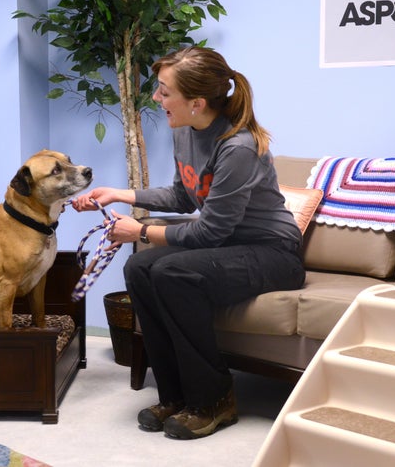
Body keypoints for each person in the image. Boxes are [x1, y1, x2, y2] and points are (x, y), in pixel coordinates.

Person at [72, 46, 305, 439]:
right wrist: (121, 194)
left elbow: (209, 232)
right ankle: (175, 396)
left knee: (172, 270)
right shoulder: (185, 132)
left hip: (273, 253)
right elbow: (184, 197)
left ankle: (214, 400)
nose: (156, 98)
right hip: (228, 248)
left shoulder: (238, 147)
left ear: (196, 102)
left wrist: (140, 231)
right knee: (139, 268)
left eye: (164, 92)